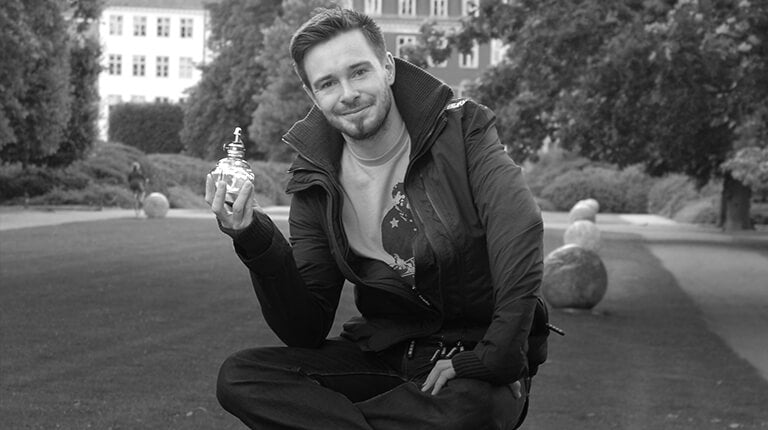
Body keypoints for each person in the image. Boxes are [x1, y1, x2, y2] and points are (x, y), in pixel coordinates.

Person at [206, 7, 546, 429]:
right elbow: (305, 329)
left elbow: (518, 227)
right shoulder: (315, 177)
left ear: (387, 68)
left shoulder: (463, 129)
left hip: (469, 356)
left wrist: (497, 355)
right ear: (313, 95)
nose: (347, 93)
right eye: (328, 83)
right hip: (381, 355)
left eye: (359, 72)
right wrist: (253, 237)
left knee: (471, 409)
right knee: (243, 376)